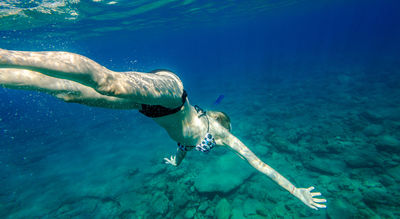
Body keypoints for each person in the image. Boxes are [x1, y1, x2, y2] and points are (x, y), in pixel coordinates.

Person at [0, 48, 327, 210]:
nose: (210, 147)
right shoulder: (219, 131)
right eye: (212, 142)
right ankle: (8, 55)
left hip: (147, 108)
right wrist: (295, 190)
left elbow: (182, 146)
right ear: (219, 123)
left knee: (70, 94)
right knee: (108, 83)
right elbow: (258, 163)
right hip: (172, 92)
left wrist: (176, 162)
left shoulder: (192, 143)